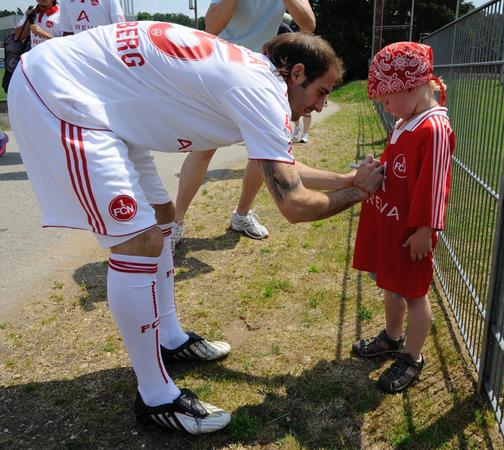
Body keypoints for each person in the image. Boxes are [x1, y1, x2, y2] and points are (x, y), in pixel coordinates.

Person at [8, 22, 384, 435]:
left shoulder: (256, 77)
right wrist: (361, 193)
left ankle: (170, 337)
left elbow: (282, 169)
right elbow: (293, 203)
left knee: (164, 217)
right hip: (60, 92)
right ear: (296, 73)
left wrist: (348, 180)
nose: (317, 106)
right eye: (322, 92)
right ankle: (155, 397)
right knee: (139, 241)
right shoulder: (261, 93)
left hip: (97, 94)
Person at [351, 42, 456, 394]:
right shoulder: (406, 120)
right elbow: (398, 168)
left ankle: (412, 356)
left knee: (414, 293)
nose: (385, 106)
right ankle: (392, 337)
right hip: (391, 224)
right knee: (390, 284)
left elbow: (435, 183)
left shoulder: (435, 128)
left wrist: (426, 229)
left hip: (413, 234)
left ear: (411, 86)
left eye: (387, 98)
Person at [173, 0, 316, 244]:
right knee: (204, 149)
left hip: (260, 73)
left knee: (261, 153)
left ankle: (241, 215)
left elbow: (308, 24)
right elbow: (212, 27)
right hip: (222, 69)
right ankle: (175, 223)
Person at [58, 0, 124, 35]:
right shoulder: (65, 1)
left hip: (105, 52)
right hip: (80, 53)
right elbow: (67, 32)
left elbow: (120, 29)